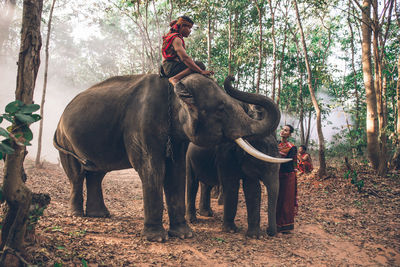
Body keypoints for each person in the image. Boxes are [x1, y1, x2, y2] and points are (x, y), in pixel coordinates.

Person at [161, 16, 214, 86]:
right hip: (171, 68)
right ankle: (175, 78)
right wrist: (201, 71)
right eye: (189, 28)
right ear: (182, 26)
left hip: (165, 67)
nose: (190, 31)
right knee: (199, 64)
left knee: (194, 65)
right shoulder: (176, 38)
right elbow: (184, 58)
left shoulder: (170, 36)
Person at [276, 124, 298, 233]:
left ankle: (285, 225)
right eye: (283, 129)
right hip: (277, 175)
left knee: (286, 201)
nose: (283, 131)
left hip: (287, 176)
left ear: (289, 134)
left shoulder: (292, 147)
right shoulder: (276, 144)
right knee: (277, 199)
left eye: (286, 130)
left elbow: (288, 162)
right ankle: (276, 223)